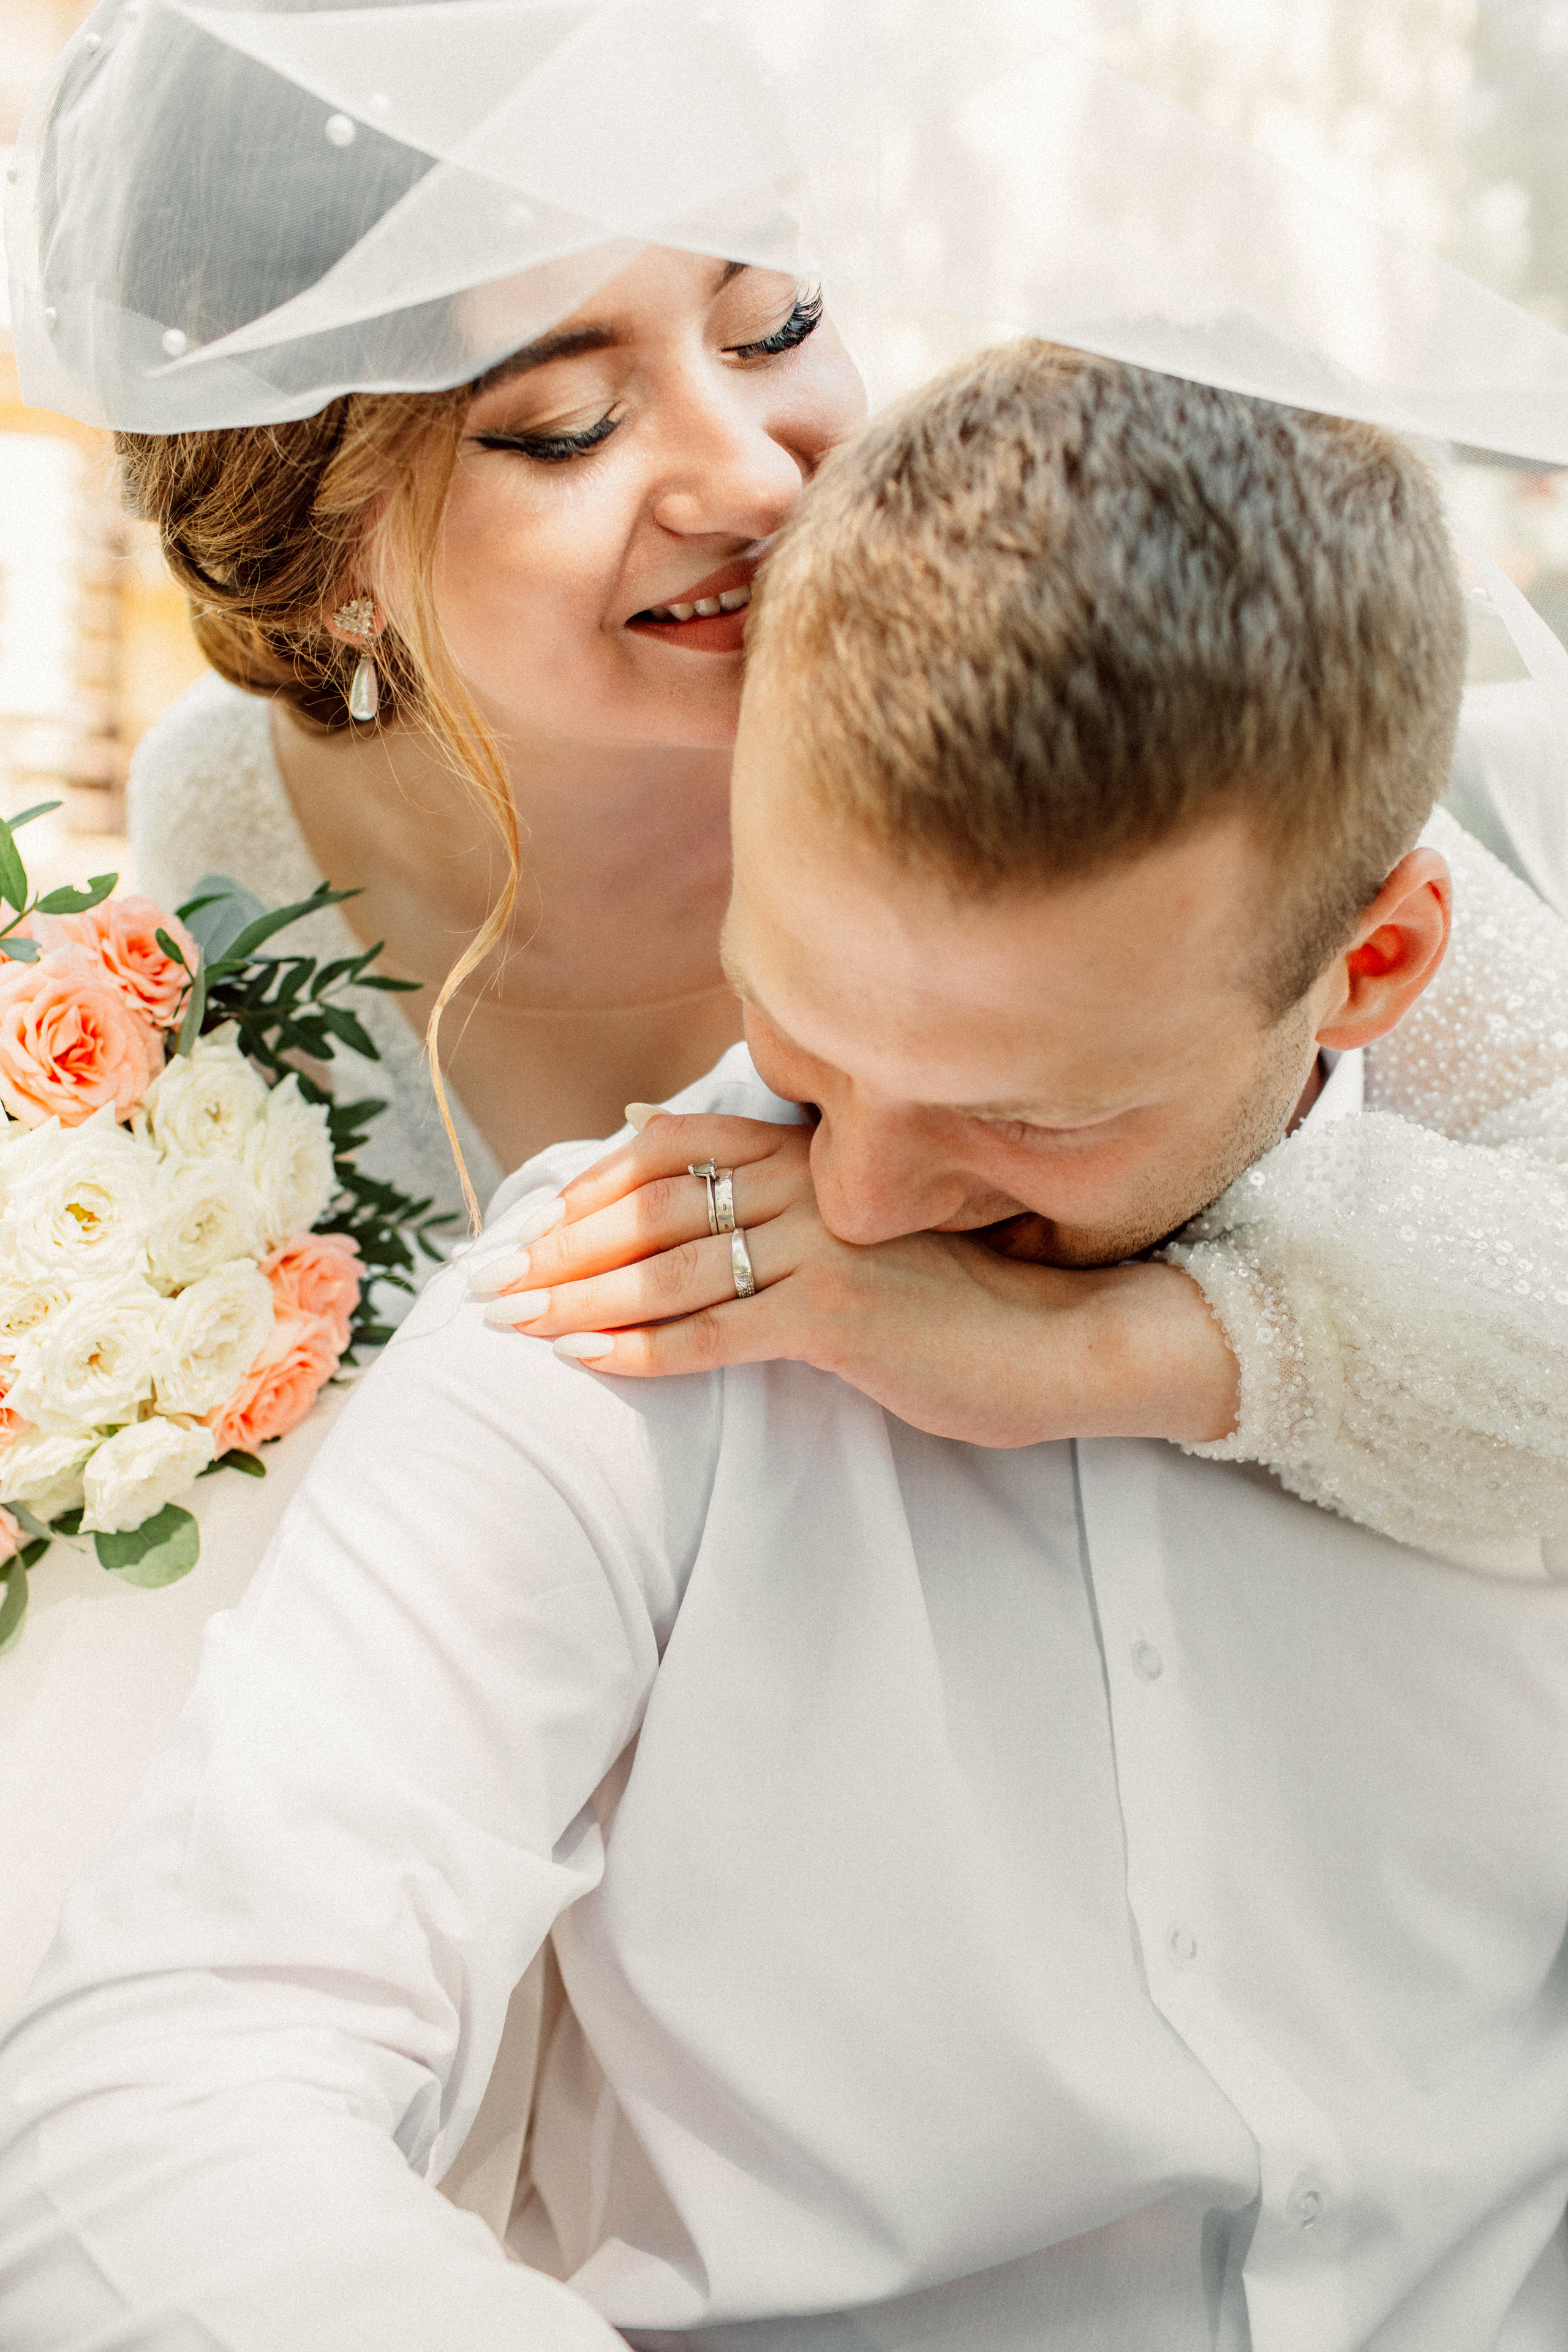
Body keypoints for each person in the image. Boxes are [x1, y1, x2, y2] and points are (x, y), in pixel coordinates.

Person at [2, 349, 1566, 2352]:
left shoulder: (1505, 1315)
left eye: (1035, 1113)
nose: (877, 1196)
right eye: (812, 1036)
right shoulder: (607, 1324)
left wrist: (1125, 1352)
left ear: (1377, 967)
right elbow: (148, 2102)